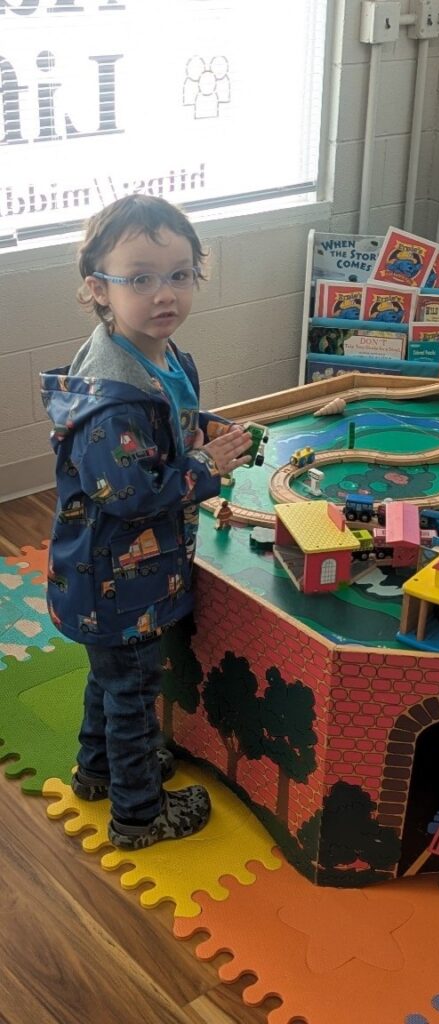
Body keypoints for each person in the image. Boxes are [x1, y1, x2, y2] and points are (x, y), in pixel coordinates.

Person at [39, 194, 252, 851]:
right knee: (132, 696)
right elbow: (131, 495)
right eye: (140, 278)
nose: (165, 294)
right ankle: (139, 815)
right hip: (116, 579)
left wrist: (203, 431)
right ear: (97, 290)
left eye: (180, 274)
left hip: (132, 572)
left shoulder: (158, 353)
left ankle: (98, 771)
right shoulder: (112, 399)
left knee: (113, 682)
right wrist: (207, 467)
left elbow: (173, 421)